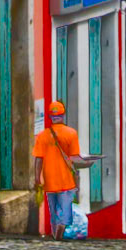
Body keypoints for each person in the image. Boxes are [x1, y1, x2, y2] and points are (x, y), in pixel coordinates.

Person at [32, 99, 81, 238]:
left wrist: (37, 178)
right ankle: (59, 233)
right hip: (66, 180)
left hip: (49, 180)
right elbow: (75, 157)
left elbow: (38, 159)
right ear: (63, 115)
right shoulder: (71, 133)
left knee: (53, 211)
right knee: (65, 210)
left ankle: (55, 234)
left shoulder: (42, 136)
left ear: (50, 116)